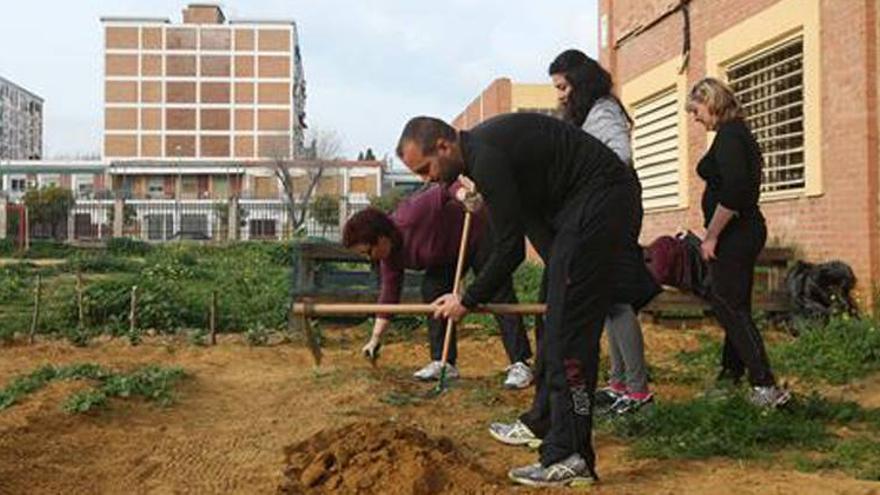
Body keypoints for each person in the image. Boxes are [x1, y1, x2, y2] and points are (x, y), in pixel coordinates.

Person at [397, 112, 640, 486]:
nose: (426, 179)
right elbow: (531, 221)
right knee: (551, 322)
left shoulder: (487, 157)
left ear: (444, 146)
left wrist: (467, 299)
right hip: (581, 212)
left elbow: (509, 249)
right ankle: (545, 422)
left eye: (425, 168)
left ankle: (573, 455)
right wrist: (559, 275)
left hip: (602, 201)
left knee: (569, 340)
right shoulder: (484, 156)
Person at [341, 181, 534, 389]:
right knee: (433, 292)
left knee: (498, 294)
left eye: (368, 252)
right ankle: (444, 362)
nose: (370, 258)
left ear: (380, 238)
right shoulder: (389, 256)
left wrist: (463, 196)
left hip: (478, 233)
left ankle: (521, 363)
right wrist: (375, 339)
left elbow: (443, 188)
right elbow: (389, 295)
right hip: (446, 254)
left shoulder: (410, 214)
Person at [686, 77, 790, 407]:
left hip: (736, 233)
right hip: (742, 231)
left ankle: (765, 385)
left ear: (711, 102)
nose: (695, 117)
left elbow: (734, 192)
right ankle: (731, 377)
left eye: (696, 109)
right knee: (734, 305)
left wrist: (712, 235)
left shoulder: (731, 135)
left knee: (728, 305)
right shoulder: (735, 133)